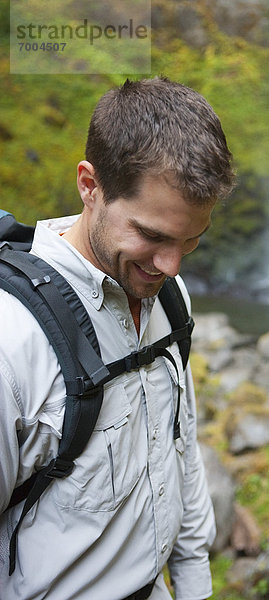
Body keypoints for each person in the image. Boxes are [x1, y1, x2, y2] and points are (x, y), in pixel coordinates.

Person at [0, 77, 235, 600]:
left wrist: (194, 583)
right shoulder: (11, 340)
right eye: (151, 236)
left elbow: (181, 445)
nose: (171, 265)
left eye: (190, 241)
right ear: (90, 185)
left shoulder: (170, 299)